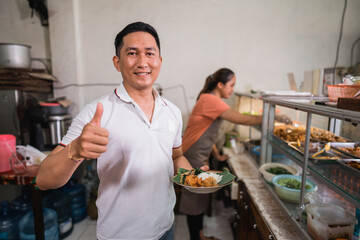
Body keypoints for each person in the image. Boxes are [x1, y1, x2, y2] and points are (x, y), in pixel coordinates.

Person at [36, 21, 207, 240]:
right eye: (132, 53)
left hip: (165, 227)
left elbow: (176, 156)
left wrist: (193, 178)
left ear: (160, 61)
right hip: (120, 234)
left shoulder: (171, 111)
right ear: (117, 62)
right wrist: (76, 150)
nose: (143, 62)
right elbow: (43, 179)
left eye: (149, 53)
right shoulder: (98, 111)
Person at [179, 68, 290, 240]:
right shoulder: (210, 99)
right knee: (195, 199)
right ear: (220, 85)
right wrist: (273, 117)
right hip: (193, 154)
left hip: (197, 151)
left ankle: (200, 235)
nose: (232, 90)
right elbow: (242, 119)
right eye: (231, 85)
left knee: (199, 199)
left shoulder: (208, 98)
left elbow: (205, 133)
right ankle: (196, 237)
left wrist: (216, 156)